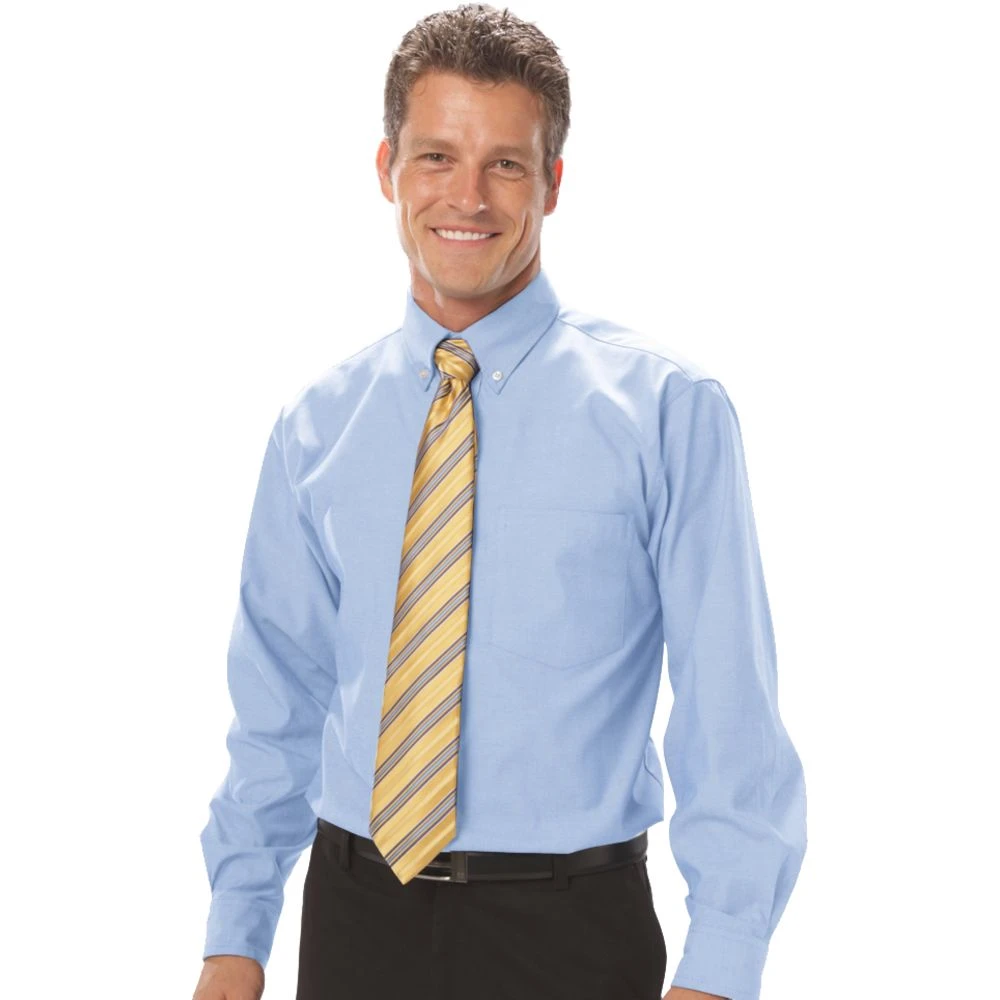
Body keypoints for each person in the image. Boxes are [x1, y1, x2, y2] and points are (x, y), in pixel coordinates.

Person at [193, 5, 807, 1000]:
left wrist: (722, 965)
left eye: (505, 165)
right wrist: (237, 930)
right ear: (388, 169)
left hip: (571, 932)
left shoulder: (666, 412)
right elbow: (278, 696)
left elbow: (728, 709)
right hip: (356, 919)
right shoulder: (316, 426)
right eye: (436, 157)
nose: (466, 196)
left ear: (553, 182)